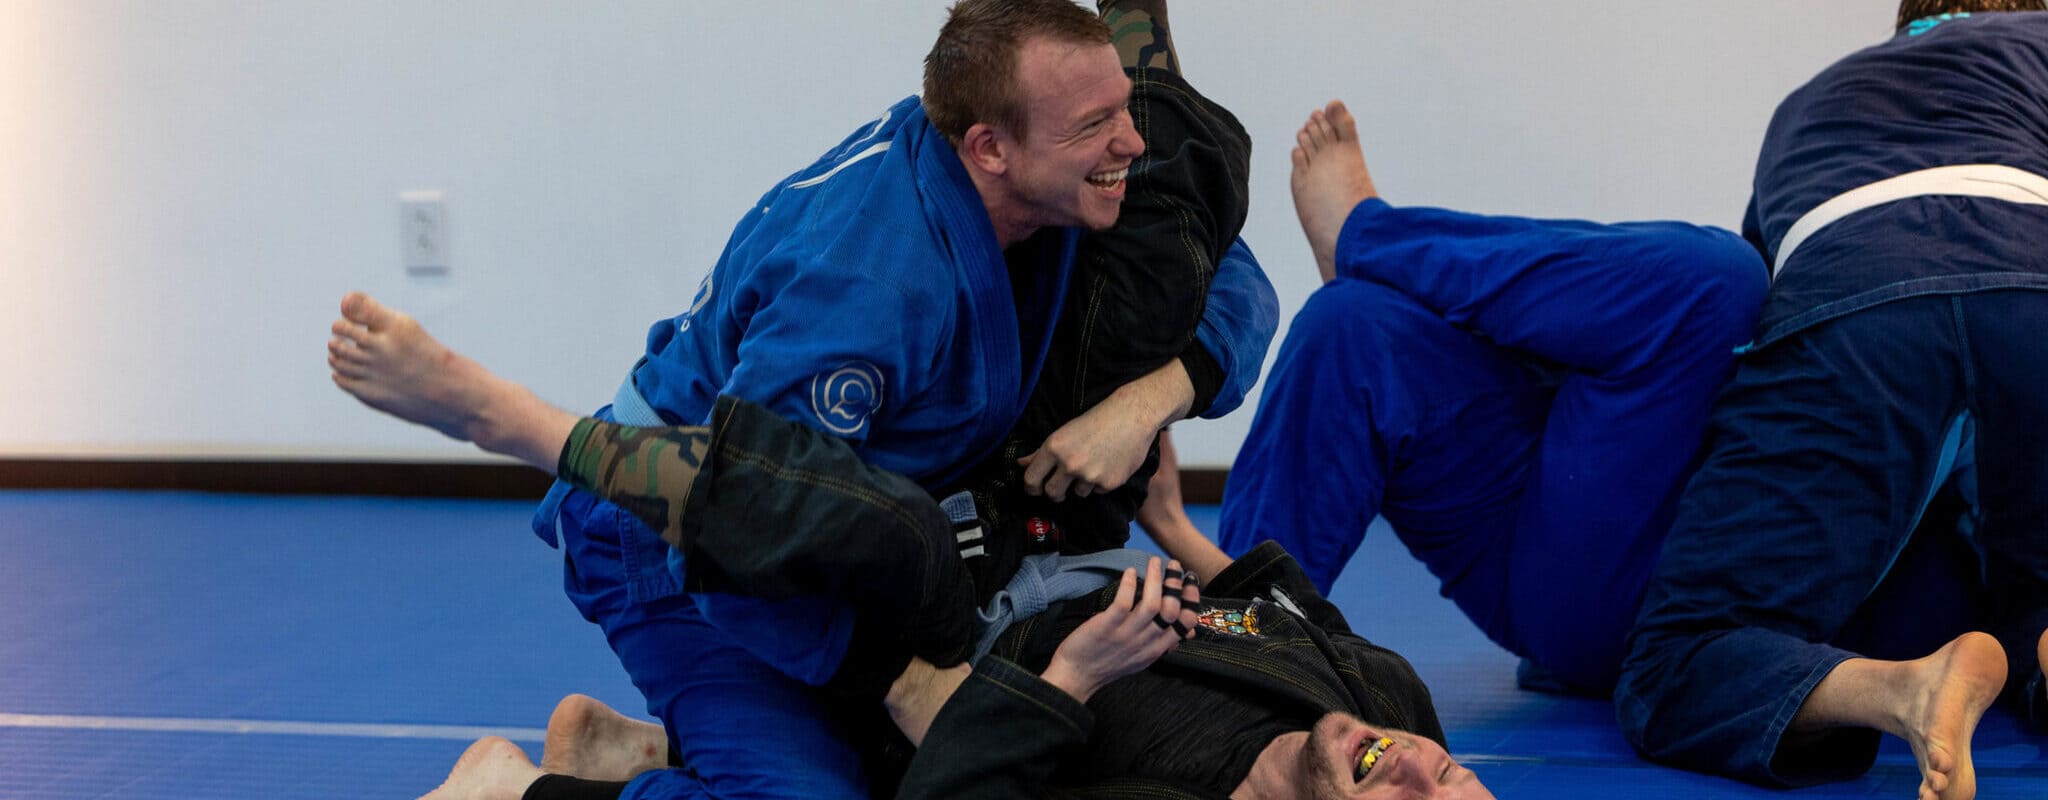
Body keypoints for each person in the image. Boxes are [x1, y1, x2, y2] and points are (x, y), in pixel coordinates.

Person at [332, 1, 1273, 796]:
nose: (1131, 142)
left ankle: (648, 751)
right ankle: (517, 786)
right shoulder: (869, 291)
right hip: (676, 537)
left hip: (874, 521)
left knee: (987, 757)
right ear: (989, 147)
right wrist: (905, 682)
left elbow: (1238, 281)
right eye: (1094, 127)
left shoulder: (1070, 180)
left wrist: (1153, 397)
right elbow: (747, 534)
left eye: (1123, 108)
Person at [1170, 98, 1767, 695]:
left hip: (1646, 589)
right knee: (1351, 327)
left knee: (1718, 281)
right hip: (1559, 517)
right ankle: (1241, 651)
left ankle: (1370, 239)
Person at [1614, 3, 2048, 799]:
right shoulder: (2039, 43)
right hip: (2037, 284)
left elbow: (1751, 299)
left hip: (1855, 305)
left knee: (1678, 659)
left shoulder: (1809, 100)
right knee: (2032, 579)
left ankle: (1905, 690)